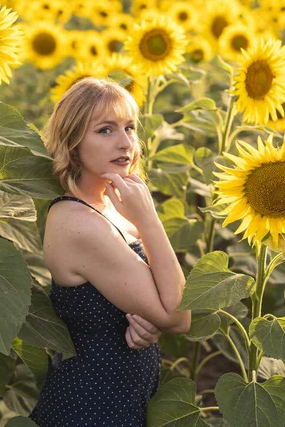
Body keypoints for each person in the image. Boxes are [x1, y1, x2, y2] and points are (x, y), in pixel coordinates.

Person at [30, 77, 191, 426]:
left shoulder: (112, 207)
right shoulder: (79, 223)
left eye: (130, 128)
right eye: (105, 130)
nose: (126, 143)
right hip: (91, 406)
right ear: (73, 143)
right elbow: (180, 316)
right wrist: (149, 220)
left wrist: (153, 325)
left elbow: (163, 305)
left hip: (122, 398)